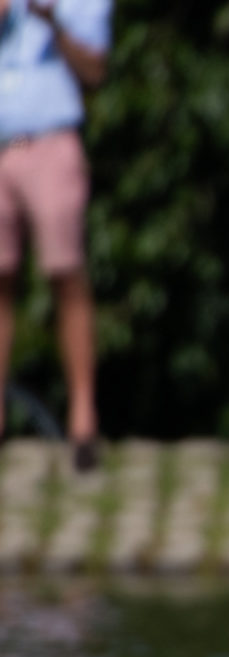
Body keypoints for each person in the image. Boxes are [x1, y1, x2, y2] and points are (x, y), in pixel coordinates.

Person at [0, 0, 110, 470]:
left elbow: (94, 70)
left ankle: (83, 416)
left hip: (51, 142)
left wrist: (52, 22)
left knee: (66, 274)